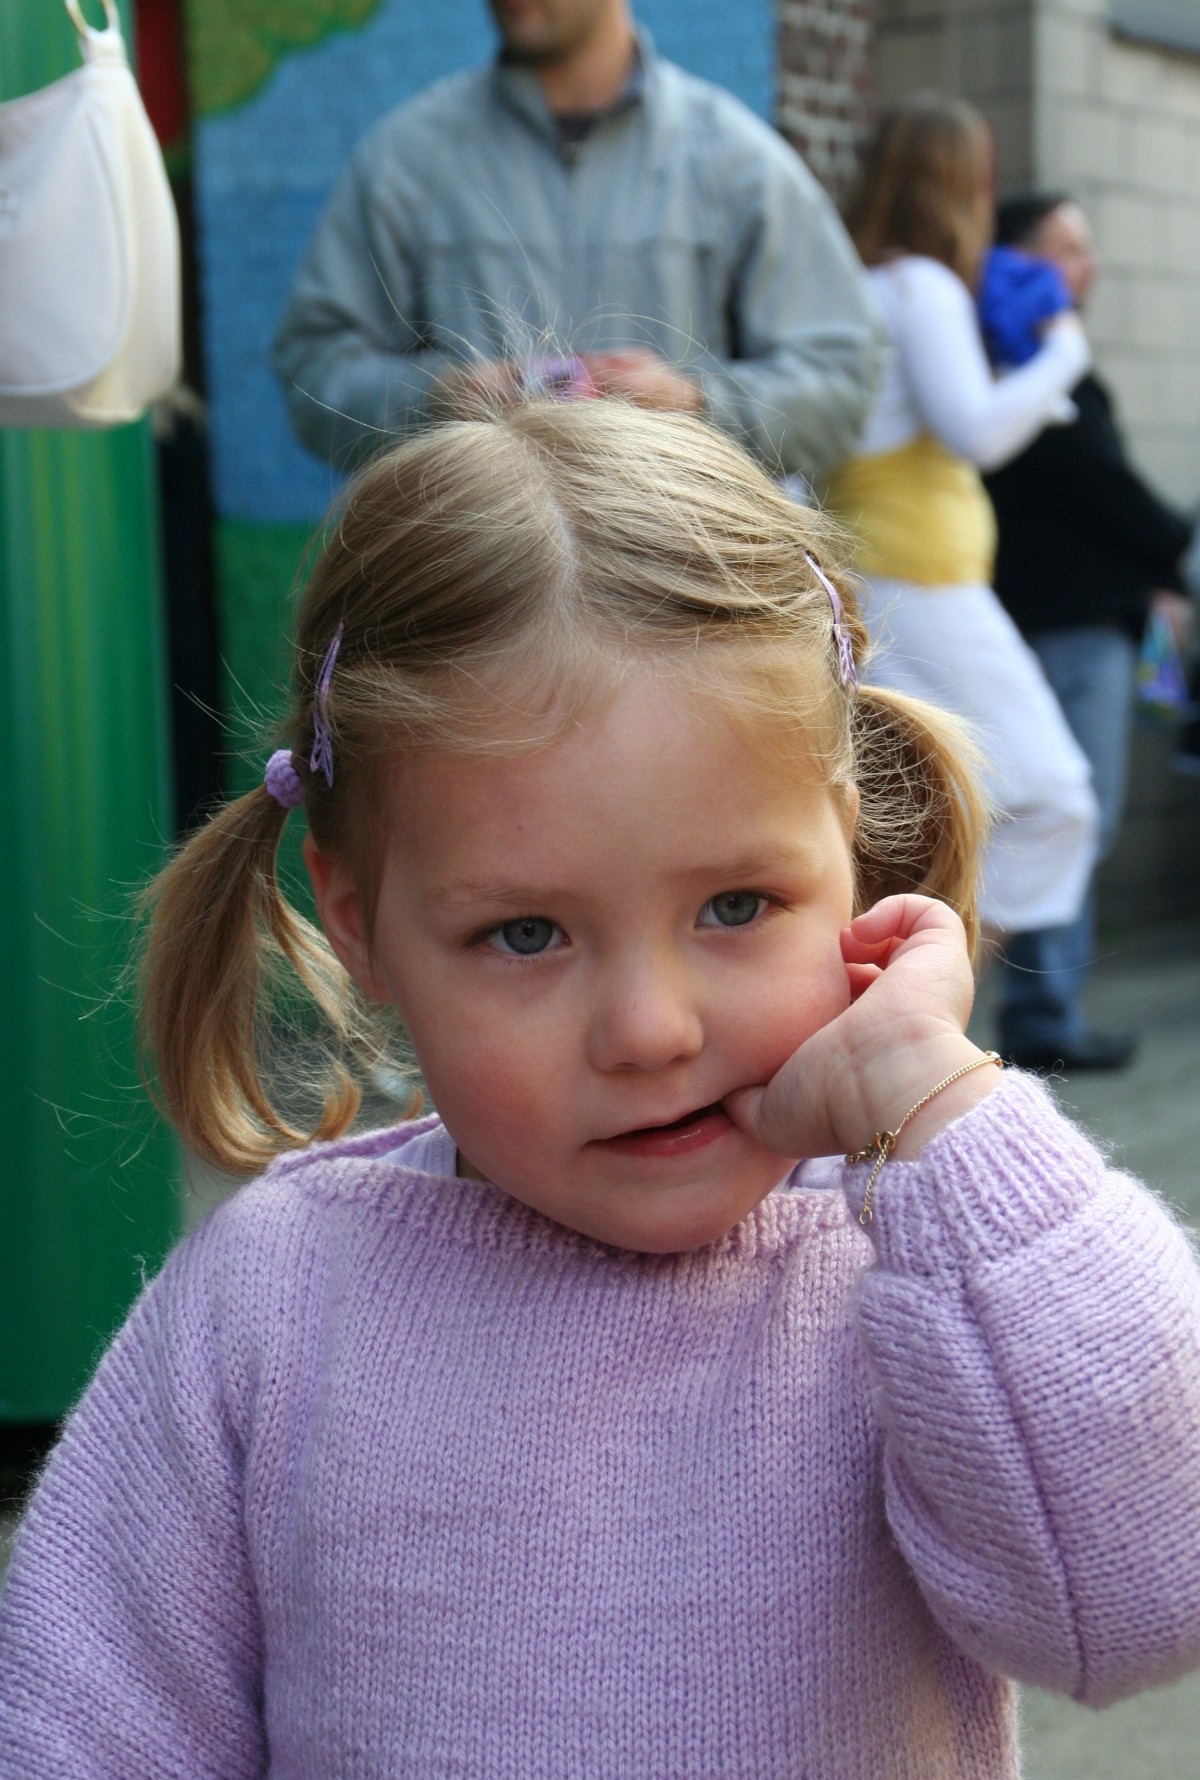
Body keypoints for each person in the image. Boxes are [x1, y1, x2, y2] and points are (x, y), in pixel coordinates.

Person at [4, 401, 1200, 1780]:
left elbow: (1148, 1593)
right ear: (360, 924)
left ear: (852, 854)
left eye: (737, 905)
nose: (648, 1030)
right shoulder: (267, 1305)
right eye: (525, 933)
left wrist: (938, 1112)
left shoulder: (925, 1277)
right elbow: (79, 1751)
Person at [272, 0, 880, 483]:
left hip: (680, 584)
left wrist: (697, 406)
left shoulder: (739, 165)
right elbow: (313, 368)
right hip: (478, 581)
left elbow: (844, 375)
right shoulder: (405, 162)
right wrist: (436, 400)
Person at [824, 93, 1099, 946]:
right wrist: (1065, 353)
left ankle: (911, 968)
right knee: (1051, 793)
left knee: (919, 799)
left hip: (880, 571)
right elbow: (974, 429)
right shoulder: (924, 286)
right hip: (921, 575)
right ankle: (937, 977)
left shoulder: (858, 283)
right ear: (959, 184)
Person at [984, 191, 1197, 1071]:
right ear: (1020, 262)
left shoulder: (1019, 357)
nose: (1090, 265)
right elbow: (1098, 484)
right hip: (1064, 627)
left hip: (1057, 619)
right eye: (1069, 248)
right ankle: (1039, 1013)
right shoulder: (1032, 361)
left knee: (1060, 813)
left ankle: (1045, 1008)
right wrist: (1173, 546)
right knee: (1074, 812)